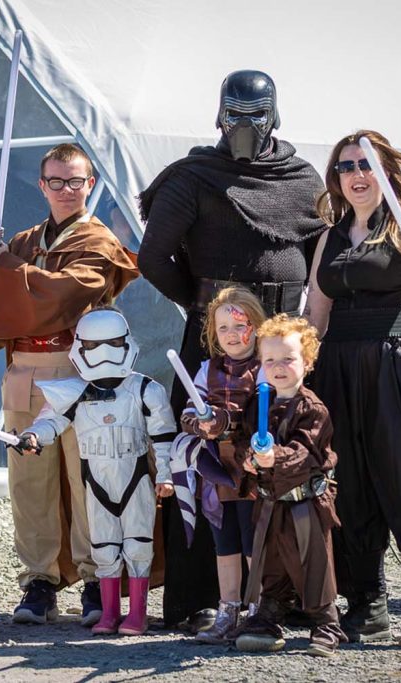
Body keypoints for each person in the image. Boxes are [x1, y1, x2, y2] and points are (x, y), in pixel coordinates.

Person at [137, 69, 326, 630]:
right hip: (215, 343)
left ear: (275, 114)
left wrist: (304, 332)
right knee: (206, 463)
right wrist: (203, 311)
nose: (244, 124)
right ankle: (200, 598)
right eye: (234, 113)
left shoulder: (300, 176)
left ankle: (286, 597)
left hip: (282, 345)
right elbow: (153, 257)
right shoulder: (195, 177)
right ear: (218, 113)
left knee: (285, 458)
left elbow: (321, 258)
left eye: (255, 113)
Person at [0, 143, 139, 625]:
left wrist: (5, 271)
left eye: (76, 181)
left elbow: (64, 294)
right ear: (42, 185)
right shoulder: (22, 241)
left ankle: (94, 578)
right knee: (30, 482)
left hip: (79, 374)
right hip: (25, 372)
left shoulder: (98, 242)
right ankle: (39, 582)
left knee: (85, 480)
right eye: (57, 182)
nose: (66, 191)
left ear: (90, 185)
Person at [305, 130, 401, 651]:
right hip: (338, 370)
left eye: (366, 164)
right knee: (350, 483)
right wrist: (290, 363)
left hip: (399, 365)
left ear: (385, 174)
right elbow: (316, 315)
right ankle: (367, 605)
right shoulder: (329, 237)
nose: (356, 174)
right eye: (346, 166)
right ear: (337, 178)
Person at [16, 308, 176, 636]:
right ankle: (109, 613)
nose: (103, 353)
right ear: (80, 348)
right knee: (103, 547)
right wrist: (33, 435)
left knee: (138, 545)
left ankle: (137, 614)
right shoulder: (75, 392)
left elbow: (163, 437)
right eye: (94, 345)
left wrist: (165, 475)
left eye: (112, 343)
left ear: (126, 343)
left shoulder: (146, 390)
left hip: (135, 478)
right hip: (98, 481)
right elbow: (52, 421)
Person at [232, 314, 344, 657]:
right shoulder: (259, 403)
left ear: (307, 362)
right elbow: (243, 440)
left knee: (312, 560)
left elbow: (305, 453)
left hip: (304, 503)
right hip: (270, 502)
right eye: (270, 360)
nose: (278, 367)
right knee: (271, 561)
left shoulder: (312, 409)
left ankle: (326, 622)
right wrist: (249, 458)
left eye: (288, 359)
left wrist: (274, 458)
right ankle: (269, 614)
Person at [172, 287, 265, 644]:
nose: (231, 334)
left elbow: (264, 415)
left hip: (254, 470)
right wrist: (200, 425)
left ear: (256, 327)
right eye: (222, 327)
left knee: (253, 542)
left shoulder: (264, 369)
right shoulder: (206, 370)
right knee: (224, 542)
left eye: (239, 325)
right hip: (217, 472)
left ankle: (258, 611)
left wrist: (224, 422)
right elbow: (187, 414)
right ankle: (228, 611)